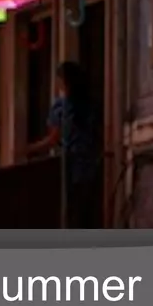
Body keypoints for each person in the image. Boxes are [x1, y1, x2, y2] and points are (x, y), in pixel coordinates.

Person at [35, 61, 103, 229]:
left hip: (71, 167)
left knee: (72, 212)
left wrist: (28, 149)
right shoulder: (91, 105)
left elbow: (53, 139)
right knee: (87, 213)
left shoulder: (61, 107)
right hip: (90, 168)